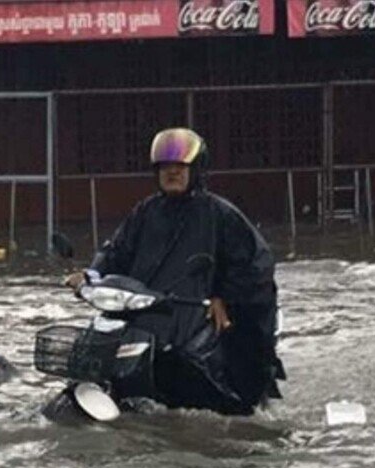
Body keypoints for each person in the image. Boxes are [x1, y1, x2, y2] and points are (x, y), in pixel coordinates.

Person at [65, 127, 284, 413]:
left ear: (196, 170)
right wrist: (90, 275)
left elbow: (256, 263)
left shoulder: (220, 213)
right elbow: (116, 251)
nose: (173, 173)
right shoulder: (146, 212)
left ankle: (238, 402)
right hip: (148, 309)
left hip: (197, 311)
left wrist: (224, 296)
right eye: (165, 167)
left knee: (214, 365)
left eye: (181, 167)